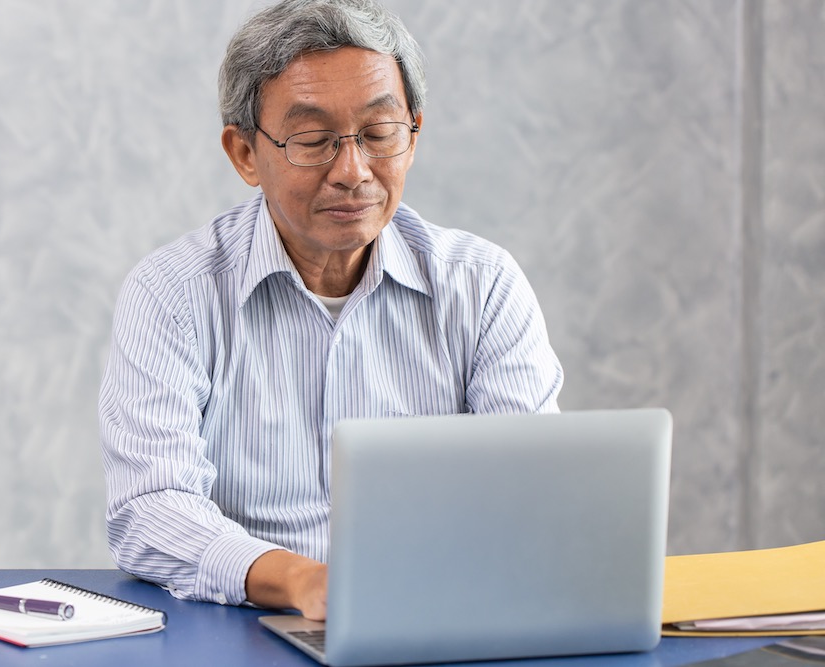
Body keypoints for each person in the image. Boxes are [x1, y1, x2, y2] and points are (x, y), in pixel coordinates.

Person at [99, 0, 563, 621]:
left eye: (379, 135)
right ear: (244, 155)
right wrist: (298, 580)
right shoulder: (173, 293)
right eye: (313, 141)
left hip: (438, 620)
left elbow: (535, 494)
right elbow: (150, 508)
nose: (352, 171)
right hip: (241, 624)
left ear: (414, 135)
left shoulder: (482, 286)